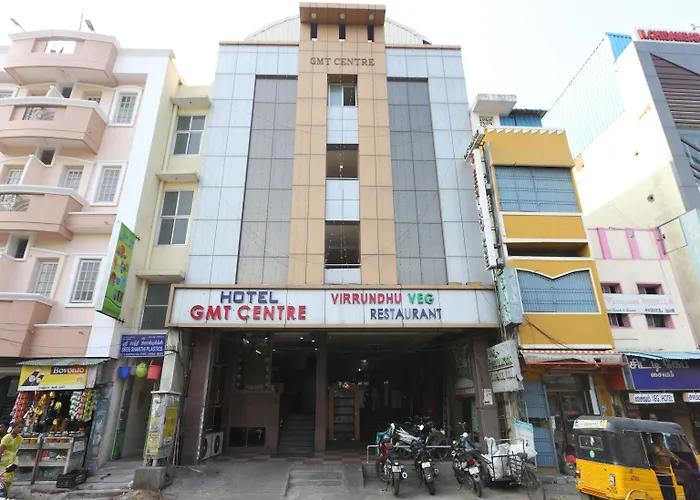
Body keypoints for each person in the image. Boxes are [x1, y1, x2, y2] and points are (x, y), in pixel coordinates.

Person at [0, 420, 24, 493]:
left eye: (21, 427)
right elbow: (0, 451)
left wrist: (16, 465)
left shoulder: (20, 438)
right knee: (3, 482)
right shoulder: (7, 437)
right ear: (13, 428)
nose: (20, 429)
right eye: (18, 427)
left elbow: (16, 453)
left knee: (8, 482)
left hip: (11, 463)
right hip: (3, 462)